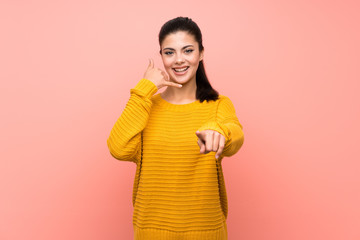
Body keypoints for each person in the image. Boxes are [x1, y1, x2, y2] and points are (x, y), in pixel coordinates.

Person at [107, 16, 244, 240]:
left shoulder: (219, 105)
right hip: (150, 232)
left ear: (201, 53)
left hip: (206, 232)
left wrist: (219, 131)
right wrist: (144, 89)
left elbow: (235, 135)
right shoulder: (146, 105)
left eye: (187, 50)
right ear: (161, 56)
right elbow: (118, 148)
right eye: (169, 52)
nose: (178, 60)